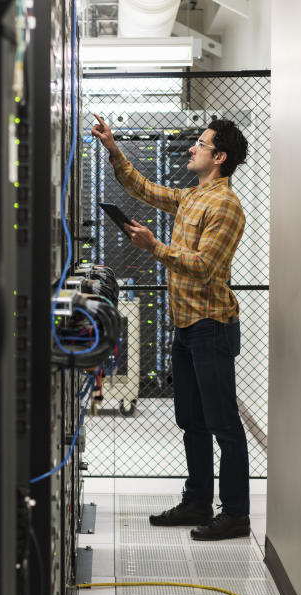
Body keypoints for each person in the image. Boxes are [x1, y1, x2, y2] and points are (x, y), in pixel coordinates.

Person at [91, 114, 251, 541]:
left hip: (211, 326)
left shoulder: (226, 206)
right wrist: (112, 148)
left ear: (219, 157)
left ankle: (236, 513)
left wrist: (155, 247)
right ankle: (197, 499)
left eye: (201, 143)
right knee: (191, 419)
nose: (192, 148)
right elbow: (143, 188)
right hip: (185, 324)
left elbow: (204, 266)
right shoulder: (192, 197)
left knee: (223, 423)